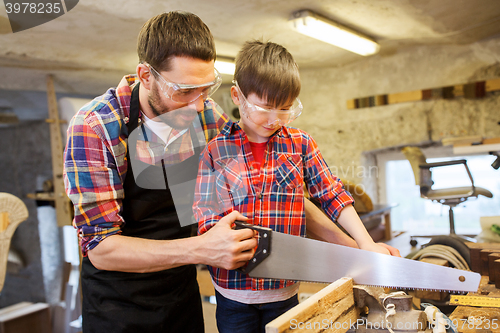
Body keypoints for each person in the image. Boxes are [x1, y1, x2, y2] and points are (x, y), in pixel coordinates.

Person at [63, 11, 383, 333]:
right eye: (184, 91)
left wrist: (357, 249)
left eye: (206, 89)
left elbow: (276, 191)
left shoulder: (205, 118)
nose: (199, 104)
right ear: (146, 76)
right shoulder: (95, 128)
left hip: (181, 291)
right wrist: (201, 249)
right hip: (118, 306)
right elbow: (102, 249)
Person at [194, 40, 397, 333]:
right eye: (264, 108)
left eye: (285, 108)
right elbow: (205, 214)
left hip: (285, 292)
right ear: (237, 96)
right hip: (234, 294)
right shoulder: (215, 151)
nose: (275, 119)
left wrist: (365, 244)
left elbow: (332, 194)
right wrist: (223, 239)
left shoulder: (300, 144)